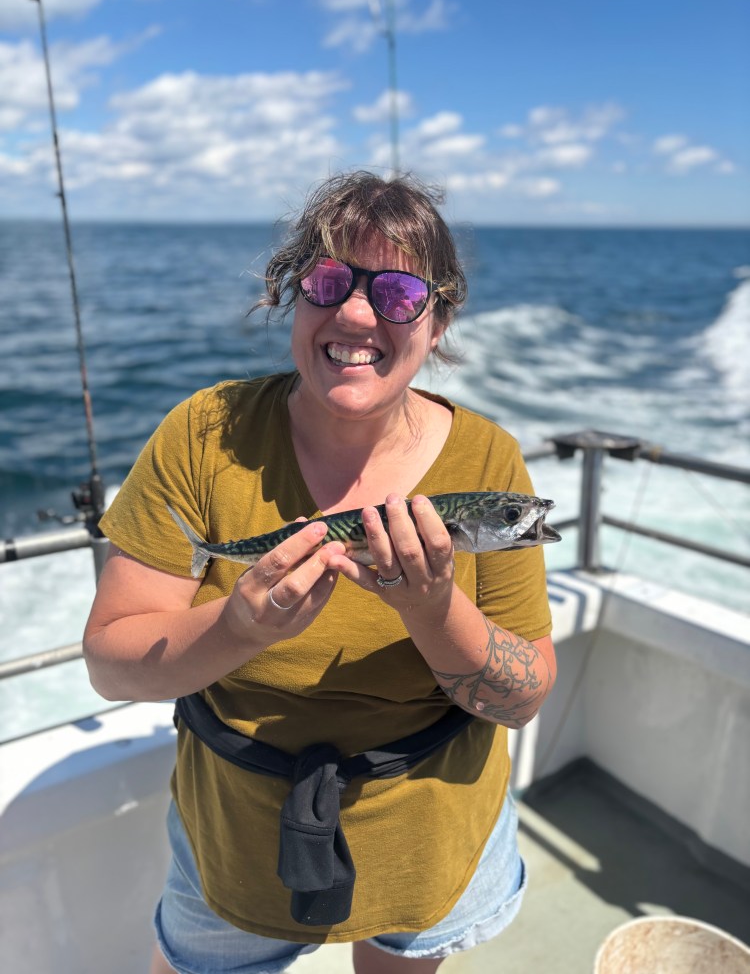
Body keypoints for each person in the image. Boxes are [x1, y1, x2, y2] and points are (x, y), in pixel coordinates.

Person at [83, 170, 556, 974]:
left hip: (429, 838)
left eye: (400, 293)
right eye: (329, 280)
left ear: (438, 321)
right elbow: (110, 663)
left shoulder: (491, 459)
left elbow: (525, 695)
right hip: (234, 838)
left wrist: (435, 611)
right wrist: (237, 625)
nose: (357, 313)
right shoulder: (205, 437)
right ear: (292, 296)